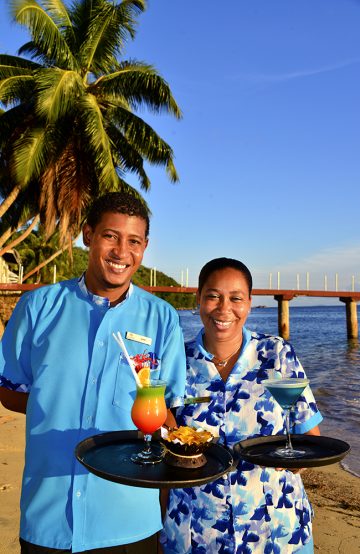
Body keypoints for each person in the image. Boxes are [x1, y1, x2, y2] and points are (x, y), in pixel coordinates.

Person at [0, 192, 186, 554]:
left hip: (129, 520)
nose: (121, 252)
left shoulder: (162, 318)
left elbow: (168, 412)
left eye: (134, 241)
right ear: (88, 235)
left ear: (145, 247)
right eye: (110, 236)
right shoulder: (37, 306)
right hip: (48, 518)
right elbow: (8, 389)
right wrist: (55, 403)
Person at [161, 257, 322, 554]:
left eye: (236, 298)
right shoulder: (176, 363)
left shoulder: (276, 354)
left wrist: (284, 463)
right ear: (199, 299)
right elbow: (168, 455)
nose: (224, 309)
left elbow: (311, 439)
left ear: (249, 302)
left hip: (277, 531)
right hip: (196, 534)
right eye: (213, 296)